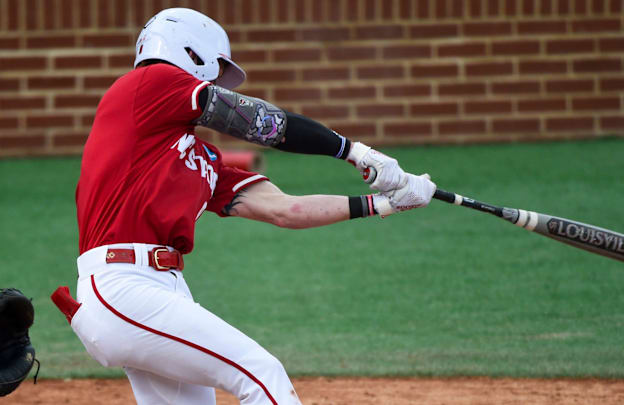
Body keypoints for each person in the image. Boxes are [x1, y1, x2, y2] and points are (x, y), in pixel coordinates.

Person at [54, 7, 435, 405]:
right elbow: (262, 122)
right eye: (215, 69)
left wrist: (385, 203)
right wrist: (354, 152)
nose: (217, 79)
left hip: (158, 293)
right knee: (261, 372)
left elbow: (284, 210)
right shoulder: (149, 84)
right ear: (191, 51)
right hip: (123, 286)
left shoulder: (198, 157)